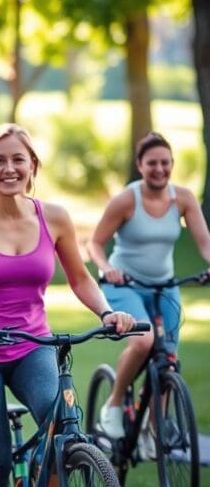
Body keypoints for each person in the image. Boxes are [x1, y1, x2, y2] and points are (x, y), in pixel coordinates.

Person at [0, 123, 135, 487]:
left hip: (33, 346)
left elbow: (80, 279)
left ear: (33, 165)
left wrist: (107, 312)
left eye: (18, 159)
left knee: (62, 428)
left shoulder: (55, 217)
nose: (9, 168)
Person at [87, 131, 210, 441]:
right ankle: (114, 404)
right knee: (143, 342)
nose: (159, 169)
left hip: (165, 286)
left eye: (165, 163)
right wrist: (108, 269)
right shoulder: (127, 200)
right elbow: (95, 243)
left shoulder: (183, 199)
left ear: (172, 164)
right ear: (140, 165)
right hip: (125, 285)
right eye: (152, 163)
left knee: (168, 357)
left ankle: (153, 428)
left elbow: (205, 242)